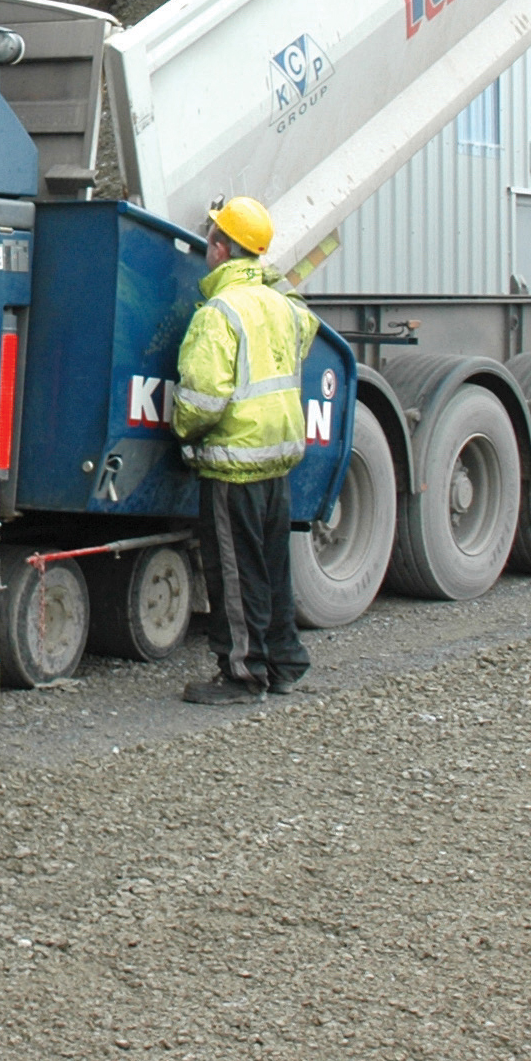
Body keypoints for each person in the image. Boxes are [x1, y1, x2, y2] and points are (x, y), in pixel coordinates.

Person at [169, 194, 317, 706]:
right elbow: (306, 324)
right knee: (272, 568)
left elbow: (203, 397)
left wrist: (184, 433)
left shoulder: (218, 313)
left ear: (217, 248)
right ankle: (284, 662)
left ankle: (242, 673)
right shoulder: (281, 307)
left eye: (211, 238)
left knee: (235, 574)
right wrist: (266, 276)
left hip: (233, 465)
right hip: (275, 461)